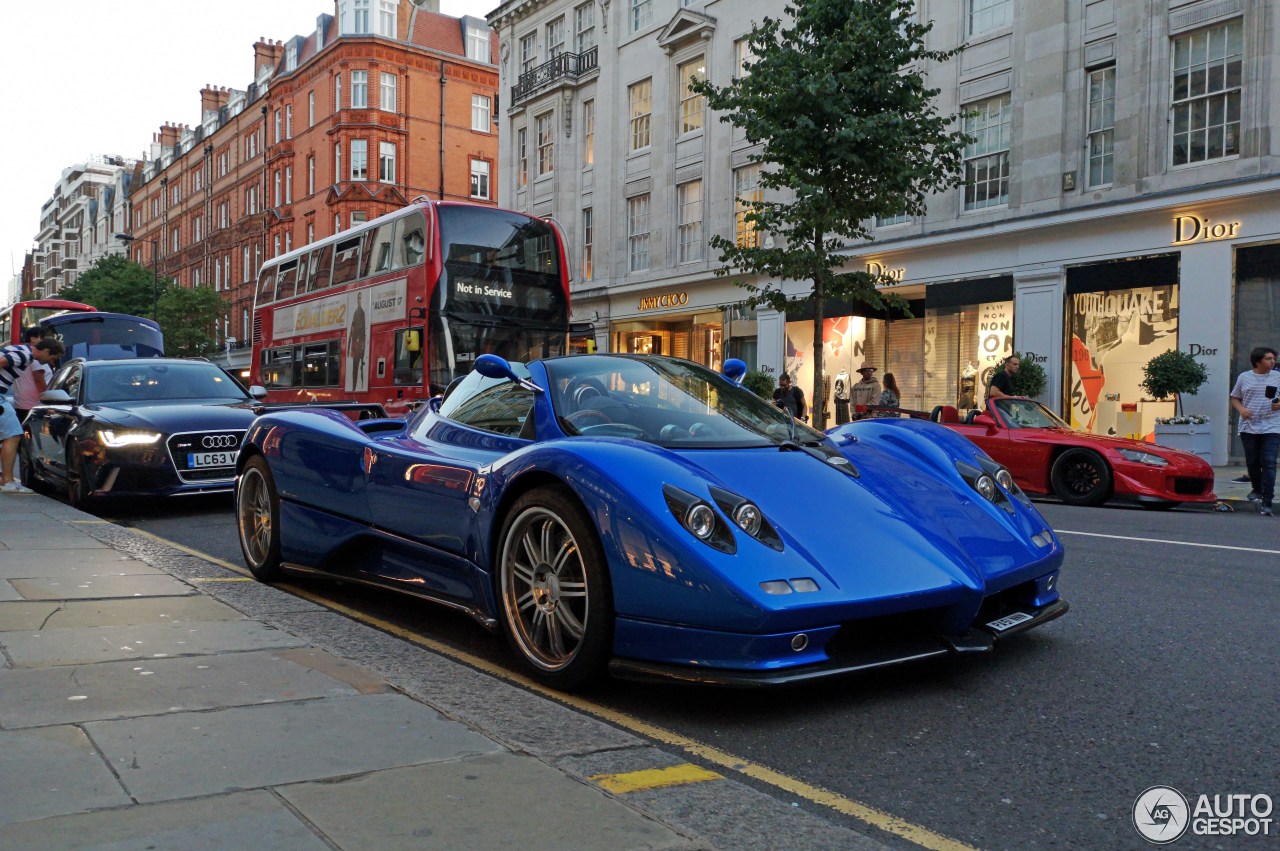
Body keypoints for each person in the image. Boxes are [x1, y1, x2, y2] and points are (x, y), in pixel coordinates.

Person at [0, 336, 66, 493]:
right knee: (14, 434)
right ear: (47, 351)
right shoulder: (25, 355)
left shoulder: (20, 349)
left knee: (11, 434)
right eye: (52, 358)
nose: (50, 362)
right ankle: (7, 481)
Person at [1228, 346, 1280, 516]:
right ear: (1257, 361)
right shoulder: (1244, 377)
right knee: (1252, 462)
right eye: (1268, 359)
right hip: (1249, 426)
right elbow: (1235, 398)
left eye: (1273, 358)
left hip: (1272, 425)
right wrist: (1242, 410)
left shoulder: (1278, 376)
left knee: (1269, 462)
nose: (1272, 361)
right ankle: (1256, 489)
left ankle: (1267, 500)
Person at [12, 326, 56, 422]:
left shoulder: (21, 352)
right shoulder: (36, 355)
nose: (45, 341)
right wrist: (48, 400)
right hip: (35, 405)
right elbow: (39, 379)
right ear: (33, 338)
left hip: (21, 403)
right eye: (42, 338)